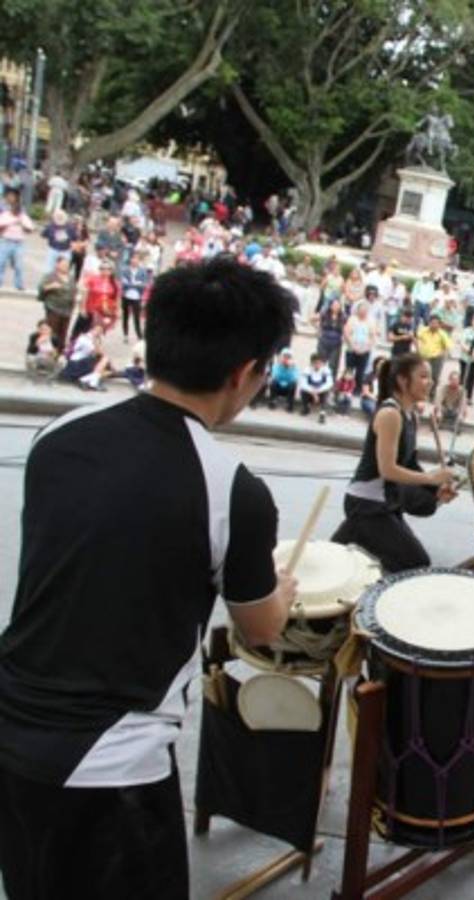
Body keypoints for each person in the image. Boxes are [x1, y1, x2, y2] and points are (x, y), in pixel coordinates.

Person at [0, 257, 296, 898]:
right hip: (112, 770)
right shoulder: (232, 490)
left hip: (12, 735)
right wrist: (282, 591)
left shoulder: (59, 435)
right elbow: (261, 628)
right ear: (244, 372)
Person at [330, 354, 457, 572]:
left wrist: (436, 490)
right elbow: (387, 470)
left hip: (386, 502)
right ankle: (359, 547)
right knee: (415, 562)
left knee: (413, 561)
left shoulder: (410, 415)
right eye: (423, 376)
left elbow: (410, 465)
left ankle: (354, 538)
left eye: (430, 377)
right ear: (402, 380)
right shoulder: (390, 414)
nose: (431, 382)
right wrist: (431, 477)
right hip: (367, 503)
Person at [37, 255, 75, 349]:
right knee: (53, 329)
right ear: (57, 265)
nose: (66, 267)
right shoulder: (50, 276)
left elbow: (73, 290)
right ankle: (49, 348)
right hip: (53, 307)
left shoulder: (70, 277)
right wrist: (50, 286)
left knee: (63, 331)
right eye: (63, 265)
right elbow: (41, 287)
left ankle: (60, 349)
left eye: (67, 265)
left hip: (67, 309)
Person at [0, 187, 34, 290]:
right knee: (1, 263)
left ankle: (19, 284)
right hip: (6, 241)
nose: (16, 210)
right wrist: (10, 223)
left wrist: (21, 224)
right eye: (14, 208)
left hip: (18, 243)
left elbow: (30, 229)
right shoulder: (5, 215)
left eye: (17, 209)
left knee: (19, 265)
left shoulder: (23, 216)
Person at [417, 314, 453, 388]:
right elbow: (416, 339)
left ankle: (432, 393)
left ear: (439, 325)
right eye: (432, 323)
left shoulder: (442, 334)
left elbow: (448, 346)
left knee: (434, 377)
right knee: (423, 375)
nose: (433, 325)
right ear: (429, 323)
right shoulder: (423, 331)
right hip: (425, 357)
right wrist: (418, 350)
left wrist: (442, 355)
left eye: (436, 323)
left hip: (436, 359)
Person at [299, 354, 334, 422]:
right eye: (315, 363)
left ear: (322, 363)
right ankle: (305, 408)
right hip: (310, 393)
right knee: (303, 391)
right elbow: (303, 384)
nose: (317, 365)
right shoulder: (307, 370)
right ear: (311, 363)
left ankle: (322, 413)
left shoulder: (326, 370)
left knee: (326, 392)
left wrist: (317, 391)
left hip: (320, 393)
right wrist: (313, 392)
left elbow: (329, 383)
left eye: (319, 363)